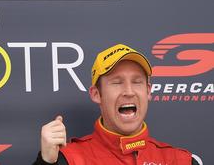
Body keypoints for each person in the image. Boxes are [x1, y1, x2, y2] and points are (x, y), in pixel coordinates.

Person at [34, 43, 195, 165]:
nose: (129, 91)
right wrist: (46, 162)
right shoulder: (70, 159)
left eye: (137, 82)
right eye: (117, 82)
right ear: (96, 94)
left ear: (148, 91)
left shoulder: (180, 160)